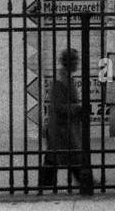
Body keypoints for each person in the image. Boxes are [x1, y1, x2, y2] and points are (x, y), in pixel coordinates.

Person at [38, 47, 93, 194]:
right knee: (65, 155)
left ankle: (46, 184)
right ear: (69, 62)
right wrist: (78, 108)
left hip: (64, 126)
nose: (78, 63)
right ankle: (84, 181)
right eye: (75, 60)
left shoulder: (66, 78)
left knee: (60, 156)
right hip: (60, 127)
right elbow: (58, 106)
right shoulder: (60, 81)